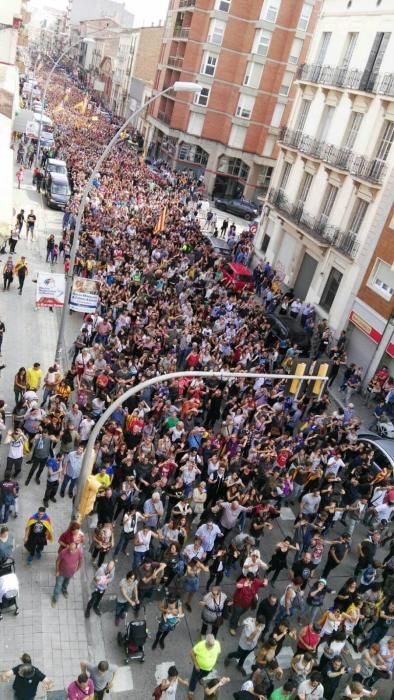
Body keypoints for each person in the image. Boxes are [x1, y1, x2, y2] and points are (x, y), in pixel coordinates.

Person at [187, 634, 221, 699]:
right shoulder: (200, 645)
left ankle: (200, 679)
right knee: (194, 679)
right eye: (210, 645)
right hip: (199, 667)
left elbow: (217, 653)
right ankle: (191, 691)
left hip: (208, 668)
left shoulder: (217, 644)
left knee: (203, 676)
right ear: (206, 642)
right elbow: (191, 653)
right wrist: (196, 664)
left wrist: (212, 662)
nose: (212, 646)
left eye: (212, 645)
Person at [51, 541, 83, 607]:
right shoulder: (63, 552)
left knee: (66, 583)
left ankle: (64, 590)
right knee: (58, 586)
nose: (70, 551)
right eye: (69, 549)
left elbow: (80, 560)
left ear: (76, 549)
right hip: (61, 573)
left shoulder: (79, 552)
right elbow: (57, 561)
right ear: (68, 546)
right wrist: (57, 571)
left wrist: (77, 568)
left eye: (72, 550)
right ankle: (55, 599)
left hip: (70, 573)